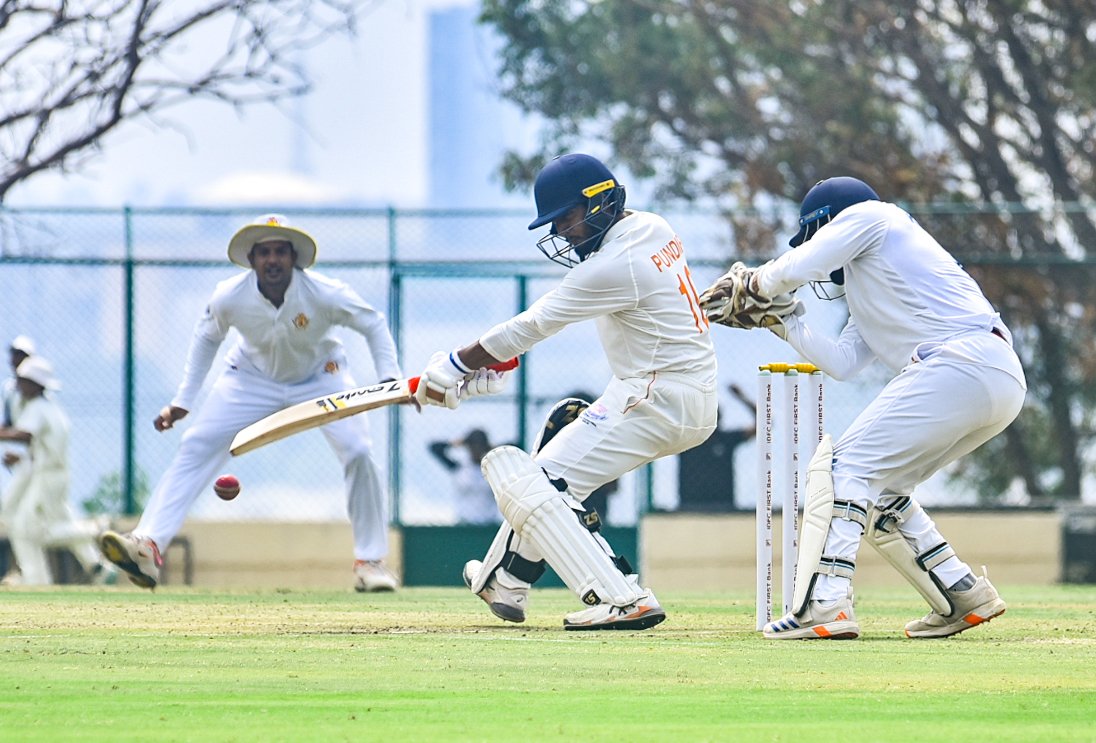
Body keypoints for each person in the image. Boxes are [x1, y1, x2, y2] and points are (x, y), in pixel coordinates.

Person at [699, 176, 1027, 640]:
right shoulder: (871, 284)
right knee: (885, 490)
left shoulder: (875, 217)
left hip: (959, 362)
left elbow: (799, 263)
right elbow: (843, 362)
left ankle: (827, 605)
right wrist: (782, 321)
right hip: (995, 376)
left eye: (813, 235)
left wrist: (757, 281)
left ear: (828, 224)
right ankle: (962, 592)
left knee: (842, 469)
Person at [414, 153, 718, 630]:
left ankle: (621, 596)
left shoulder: (613, 266)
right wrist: (485, 366)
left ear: (600, 203)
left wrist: (454, 364)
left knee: (531, 482)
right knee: (552, 466)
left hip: (657, 395)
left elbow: (533, 325)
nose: (562, 234)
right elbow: (526, 337)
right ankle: (507, 580)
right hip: (678, 391)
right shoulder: (651, 227)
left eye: (567, 219)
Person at [99, 214, 404, 592]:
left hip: (323, 378)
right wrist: (184, 400)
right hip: (249, 379)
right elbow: (206, 338)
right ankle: (147, 547)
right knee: (196, 444)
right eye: (264, 253)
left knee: (358, 450)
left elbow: (373, 323)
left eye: (280, 252)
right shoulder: (230, 295)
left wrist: (390, 381)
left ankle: (370, 562)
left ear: (293, 258)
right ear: (252, 259)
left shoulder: (325, 292)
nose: (272, 260)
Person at [0, 357, 115, 585]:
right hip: (52, 474)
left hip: (47, 476)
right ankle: (41, 577)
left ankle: (93, 530)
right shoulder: (50, 408)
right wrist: (21, 457)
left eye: (24, 381)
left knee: (28, 529)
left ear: (37, 385)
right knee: (31, 528)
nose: (20, 385)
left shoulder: (38, 408)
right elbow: (42, 443)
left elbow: (25, 434)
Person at [676, 382, 756, 512]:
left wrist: (743, 398)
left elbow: (764, 424)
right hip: (689, 507)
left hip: (724, 506)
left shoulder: (726, 439)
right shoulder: (687, 439)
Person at [428, 428, 502, 525]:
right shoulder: (459, 467)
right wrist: (454, 443)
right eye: (473, 446)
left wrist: (495, 449)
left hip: (489, 523)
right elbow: (434, 448)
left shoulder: (494, 469)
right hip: (464, 522)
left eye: (480, 446)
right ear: (468, 447)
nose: (476, 450)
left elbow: (516, 447)